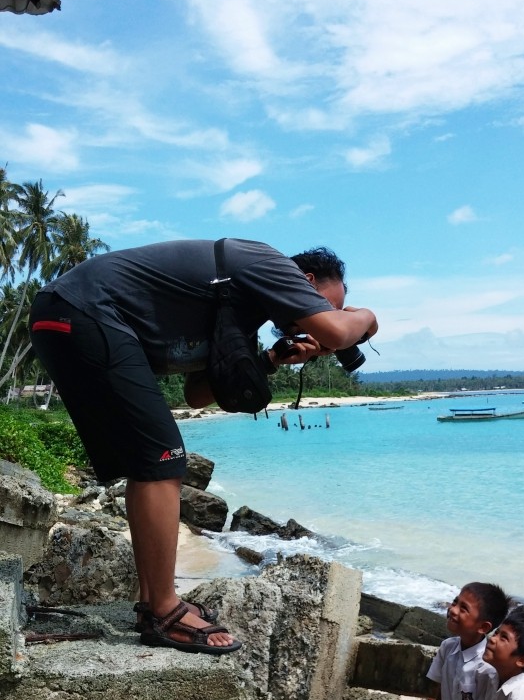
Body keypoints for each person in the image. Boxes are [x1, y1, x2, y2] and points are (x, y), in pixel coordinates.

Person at [28, 239, 378, 654]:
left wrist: (267, 360)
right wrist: (365, 318)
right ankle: (162, 610)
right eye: (327, 305)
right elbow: (338, 332)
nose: (317, 321)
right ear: (303, 281)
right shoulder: (265, 261)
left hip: (66, 314)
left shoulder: (238, 310)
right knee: (163, 461)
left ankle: (154, 604)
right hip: (80, 309)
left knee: (154, 462)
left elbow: (197, 394)